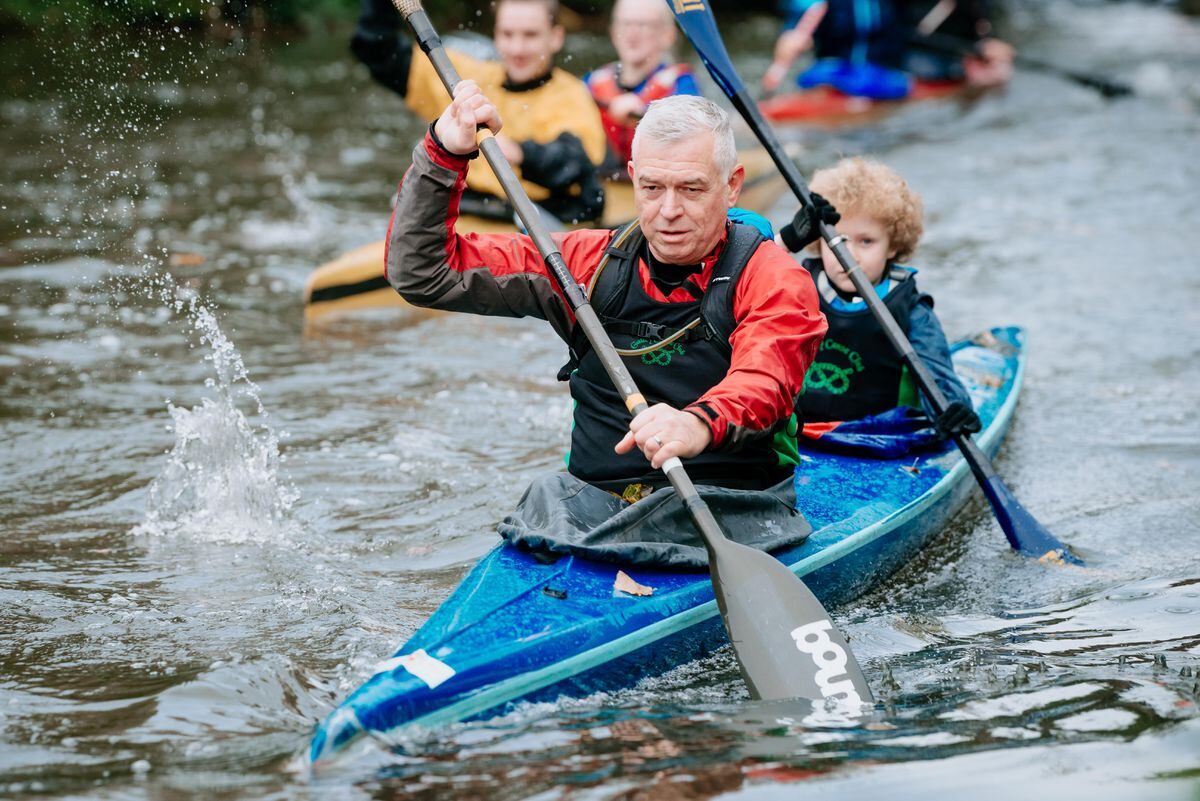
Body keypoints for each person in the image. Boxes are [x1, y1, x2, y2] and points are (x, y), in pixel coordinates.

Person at [386, 90, 830, 492]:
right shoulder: (582, 264)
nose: (669, 211)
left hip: (733, 499)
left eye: (691, 189)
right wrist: (443, 154)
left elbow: (765, 380)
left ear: (732, 185)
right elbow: (424, 273)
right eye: (652, 188)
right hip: (592, 502)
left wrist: (697, 424)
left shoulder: (773, 277)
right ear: (633, 177)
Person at [350, 0, 607, 222]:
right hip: (472, 211)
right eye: (507, 34)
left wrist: (519, 153)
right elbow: (377, 49)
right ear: (495, 34)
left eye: (530, 35)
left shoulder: (572, 95)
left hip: (539, 216)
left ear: (555, 38)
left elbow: (573, 164)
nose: (517, 49)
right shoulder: (467, 79)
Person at [775, 157, 979, 436]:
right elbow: (736, 283)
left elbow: (938, 376)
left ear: (892, 246)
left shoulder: (911, 309)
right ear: (817, 240)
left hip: (880, 436)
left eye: (866, 241)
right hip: (802, 432)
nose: (849, 254)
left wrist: (953, 408)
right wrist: (784, 241)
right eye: (838, 239)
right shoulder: (793, 284)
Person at [584, 0, 701, 167]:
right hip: (608, 172)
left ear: (668, 36)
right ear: (613, 33)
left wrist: (645, 112)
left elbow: (692, 131)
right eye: (625, 24)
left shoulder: (681, 83)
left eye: (643, 25)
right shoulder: (592, 81)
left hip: (659, 173)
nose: (632, 33)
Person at [762, 0, 911, 100]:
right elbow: (797, 24)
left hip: (884, 75)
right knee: (820, 77)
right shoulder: (818, 5)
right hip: (834, 73)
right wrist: (792, 38)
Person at [899, 0, 1014, 87]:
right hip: (922, 58)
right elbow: (914, 35)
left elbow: (985, 22)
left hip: (967, 52)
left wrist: (990, 43)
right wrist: (971, 52)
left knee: (1000, 70)